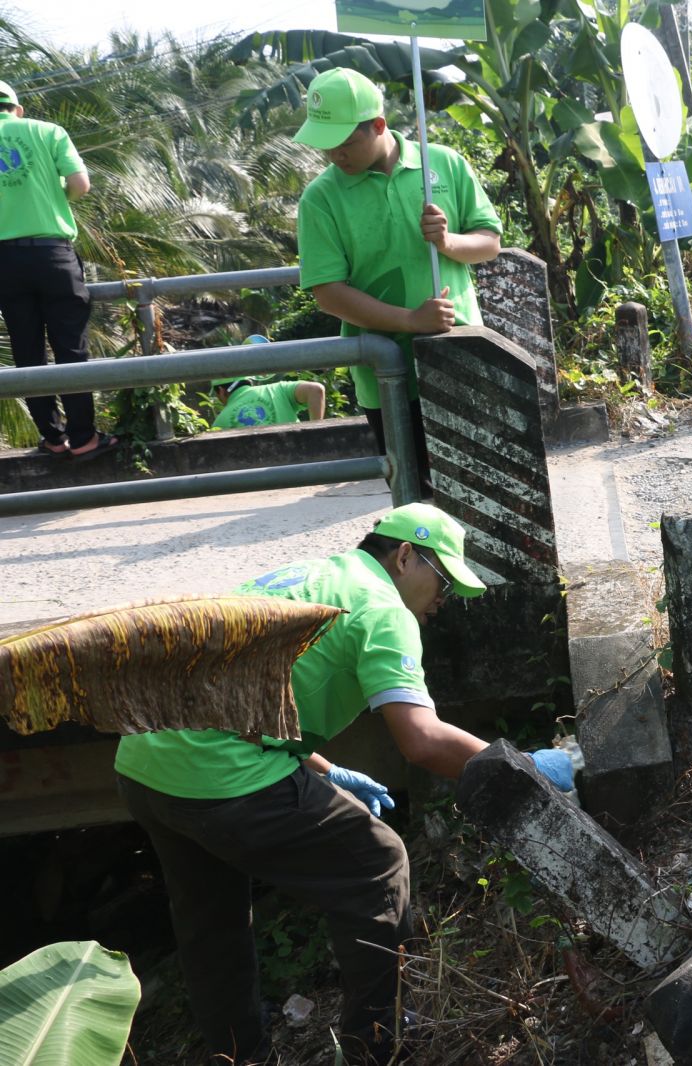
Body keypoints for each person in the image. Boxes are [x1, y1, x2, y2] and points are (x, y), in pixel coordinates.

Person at [115, 503, 574, 1066]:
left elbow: (247, 698)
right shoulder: (383, 609)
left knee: (212, 924)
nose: (444, 600)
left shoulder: (308, 576)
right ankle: (377, 1048)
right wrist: (521, 767)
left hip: (145, 764)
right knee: (378, 866)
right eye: (443, 582)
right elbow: (422, 740)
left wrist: (325, 769)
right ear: (404, 557)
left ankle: (239, 1058)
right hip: (222, 778)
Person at [293, 68, 503, 492]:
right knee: (415, 499)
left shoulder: (443, 163)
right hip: (385, 375)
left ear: (378, 125)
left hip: (461, 355)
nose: (334, 155)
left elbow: (490, 243)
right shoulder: (320, 198)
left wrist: (448, 242)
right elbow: (328, 293)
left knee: (482, 491)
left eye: (344, 143)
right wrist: (410, 321)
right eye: (325, 144)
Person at [0, 78, 119, 459]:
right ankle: (83, 438)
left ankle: (53, 437)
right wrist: (57, 197)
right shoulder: (48, 131)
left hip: (4, 260)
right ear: (17, 109)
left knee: (27, 349)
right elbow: (81, 184)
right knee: (70, 346)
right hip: (52, 253)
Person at [211, 375, 326, 429]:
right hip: (300, 463)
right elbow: (316, 390)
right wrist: (315, 433)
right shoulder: (278, 389)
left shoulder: (220, 422)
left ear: (221, 391)